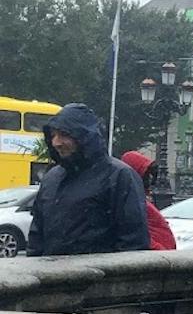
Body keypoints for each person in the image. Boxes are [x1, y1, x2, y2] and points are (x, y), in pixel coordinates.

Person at [28, 103, 149, 257]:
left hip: (98, 278)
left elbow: (134, 242)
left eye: (64, 135)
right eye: (53, 135)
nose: (56, 142)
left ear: (83, 136)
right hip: (53, 276)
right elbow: (37, 235)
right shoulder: (52, 177)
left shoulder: (120, 176)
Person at [120, 152, 177, 250]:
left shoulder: (138, 198)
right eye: (147, 174)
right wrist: (161, 252)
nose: (150, 179)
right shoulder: (134, 201)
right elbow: (137, 233)